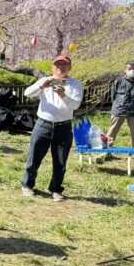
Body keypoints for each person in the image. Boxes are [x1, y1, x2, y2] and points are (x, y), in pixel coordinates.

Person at [21, 54, 83, 201]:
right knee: (34, 157)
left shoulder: (75, 85)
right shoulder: (45, 80)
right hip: (43, 124)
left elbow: (75, 105)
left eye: (64, 65)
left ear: (69, 68)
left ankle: (55, 189)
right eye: (57, 65)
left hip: (64, 127)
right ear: (52, 68)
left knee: (60, 161)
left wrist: (63, 95)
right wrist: (41, 86)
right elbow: (27, 94)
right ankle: (27, 185)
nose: (60, 68)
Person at [107, 60, 134, 148]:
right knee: (111, 132)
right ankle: (106, 152)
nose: (132, 70)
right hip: (118, 110)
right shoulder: (118, 81)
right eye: (129, 68)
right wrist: (118, 105)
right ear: (125, 69)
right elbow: (113, 96)